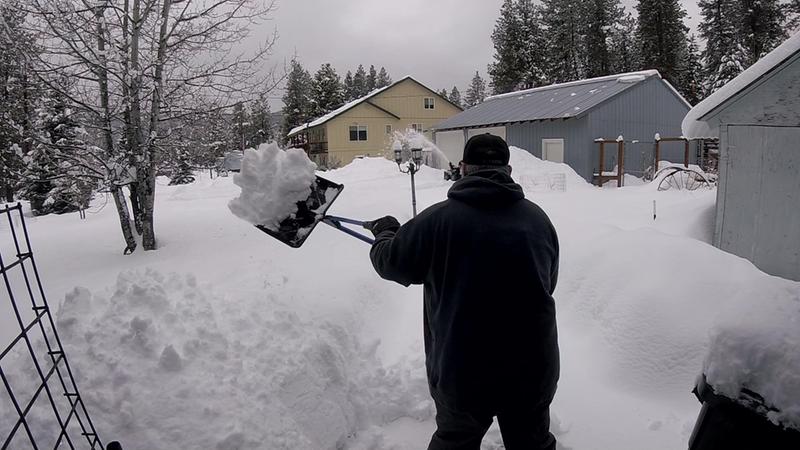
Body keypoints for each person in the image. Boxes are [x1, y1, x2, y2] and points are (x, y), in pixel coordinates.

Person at [365, 134, 560, 450]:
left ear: (464, 168)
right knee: (532, 444)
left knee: (455, 442)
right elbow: (548, 282)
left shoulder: (437, 220)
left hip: (463, 370)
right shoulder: (538, 221)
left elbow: (392, 263)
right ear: (508, 170)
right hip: (532, 368)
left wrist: (386, 233)